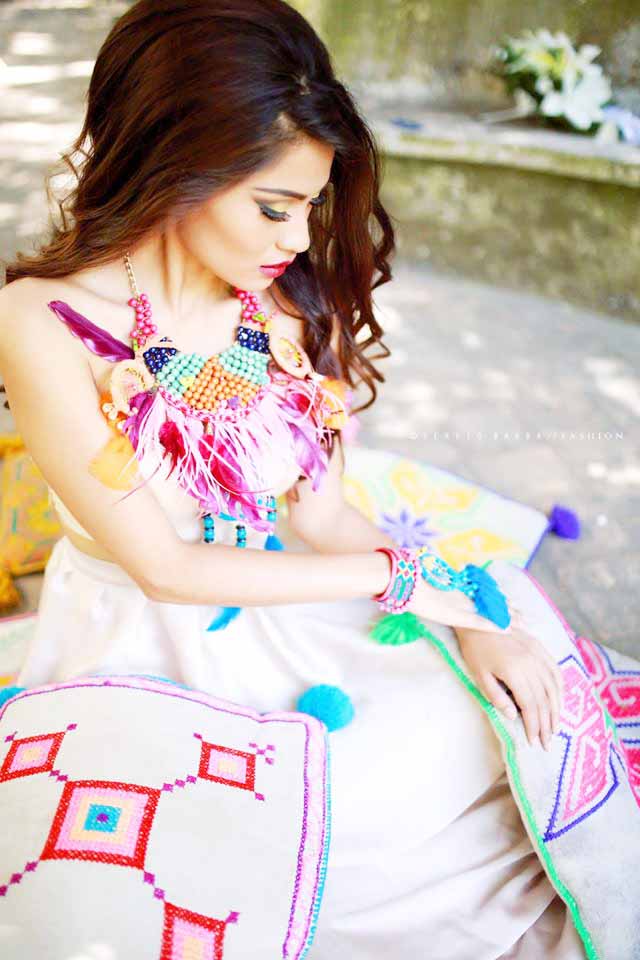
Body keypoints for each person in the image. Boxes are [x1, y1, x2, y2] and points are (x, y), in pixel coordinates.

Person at [0, 1, 628, 957]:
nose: (298, 238)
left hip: (287, 599)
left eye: (310, 206)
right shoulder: (42, 322)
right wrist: (402, 579)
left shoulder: (283, 310)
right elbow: (167, 568)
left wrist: (465, 609)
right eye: (273, 206)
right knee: (328, 825)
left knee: (484, 710)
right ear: (176, 165)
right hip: (140, 639)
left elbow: (325, 518)